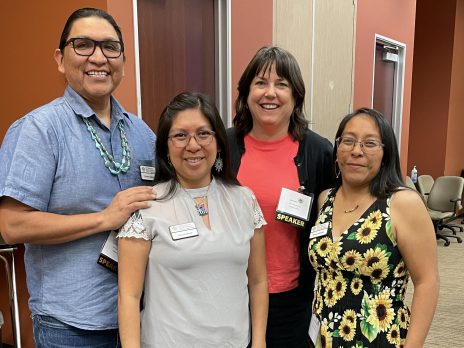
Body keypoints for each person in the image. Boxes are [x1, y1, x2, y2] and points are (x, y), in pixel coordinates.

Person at [0, 8, 156, 347]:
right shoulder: (38, 131)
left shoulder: (143, 133)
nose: (98, 57)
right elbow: (12, 225)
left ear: (123, 62)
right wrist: (104, 218)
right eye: (83, 44)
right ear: (60, 58)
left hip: (139, 318)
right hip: (70, 325)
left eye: (110, 47)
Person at [117, 92, 268, 348]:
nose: (193, 145)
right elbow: (129, 296)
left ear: (219, 142)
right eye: (180, 135)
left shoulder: (244, 201)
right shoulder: (149, 205)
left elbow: (258, 281)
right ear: (165, 146)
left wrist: (259, 341)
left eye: (203, 133)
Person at [227, 46, 335, 347]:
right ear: (246, 93)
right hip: (229, 293)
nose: (269, 93)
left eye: (281, 85)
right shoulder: (222, 146)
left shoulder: (319, 152)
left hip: (294, 299)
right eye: (260, 83)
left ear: (296, 96)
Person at [308, 108, 439, 347]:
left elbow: (427, 282)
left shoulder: (402, 203)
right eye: (348, 141)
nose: (356, 151)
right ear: (337, 150)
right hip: (324, 337)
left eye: (369, 143)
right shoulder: (325, 199)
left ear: (385, 154)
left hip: (379, 338)